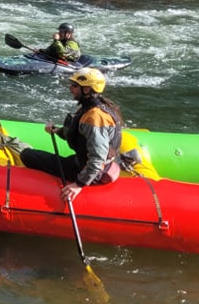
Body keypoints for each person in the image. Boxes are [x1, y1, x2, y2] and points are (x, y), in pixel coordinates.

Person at [19, 67, 124, 203]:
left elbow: (98, 158)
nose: (70, 88)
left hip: (91, 172)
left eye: (75, 85)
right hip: (90, 163)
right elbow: (79, 134)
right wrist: (57, 131)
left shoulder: (94, 117)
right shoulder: (97, 107)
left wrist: (78, 184)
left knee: (27, 155)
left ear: (86, 90)